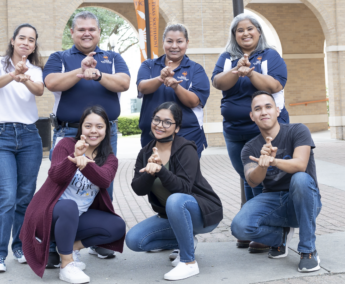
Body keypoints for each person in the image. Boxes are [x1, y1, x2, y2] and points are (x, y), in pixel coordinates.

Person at [43, 10, 130, 264]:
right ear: (72, 32)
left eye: (92, 29)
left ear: (99, 32)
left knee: (103, 185)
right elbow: (51, 82)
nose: (87, 33)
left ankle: (97, 240)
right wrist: (80, 71)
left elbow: (124, 83)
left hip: (105, 134)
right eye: (81, 29)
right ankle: (53, 244)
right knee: (60, 186)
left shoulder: (112, 57)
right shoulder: (59, 57)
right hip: (68, 131)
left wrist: (100, 75)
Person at [20, 106, 126, 283]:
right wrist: (75, 157)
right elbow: (56, 175)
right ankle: (67, 265)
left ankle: (68, 249)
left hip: (76, 220)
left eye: (99, 126)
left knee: (117, 226)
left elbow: (104, 180)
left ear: (107, 129)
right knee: (69, 206)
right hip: (47, 215)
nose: (93, 131)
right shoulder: (65, 144)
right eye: (88, 126)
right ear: (81, 128)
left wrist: (86, 163)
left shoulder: (109, 158)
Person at [211, 13, 289, 252]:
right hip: (234, 130)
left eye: (250, 29)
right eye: (239, 30)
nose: (245, 33)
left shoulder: (270, 55)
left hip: (265, 130)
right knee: (248, 176)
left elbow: (276, 85)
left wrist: (251, 72)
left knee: (265, 178)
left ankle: (264, 230)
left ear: (258, 31)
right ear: (234, 35)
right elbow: (217, 82)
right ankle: (251, 225)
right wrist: (236, 70)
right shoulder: (227, 57)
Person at [126, 102, 223, 281]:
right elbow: (138, 189)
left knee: (176, 199)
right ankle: (187, 241)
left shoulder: (186, 149)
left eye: (167, 122)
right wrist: (150, 171)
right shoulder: (145, 152)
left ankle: (188, 262)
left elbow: (183, 188)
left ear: (176, 128)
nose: (160, 125)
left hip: (202, 212)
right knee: (134, 240)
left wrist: (161, 169)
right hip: (171, 217)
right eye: (157, 120)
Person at [231, 91, 322, 273]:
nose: (263, 112)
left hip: (304, 200)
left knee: (300, 179)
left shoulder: (298, 131)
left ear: (277, 110)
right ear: (252, 116)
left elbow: (301, 165)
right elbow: (252, 180)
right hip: (274, 201)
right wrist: (262, 165)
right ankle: (279, 237)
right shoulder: (250, 147)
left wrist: (274, 161)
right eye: (258, 109)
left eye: (268, 106)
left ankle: (308, 250)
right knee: (239, 227)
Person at [0, 23, 44, 273]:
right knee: (6, 197)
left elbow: (39, 90)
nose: (26, 43)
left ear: (34, 46)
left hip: (30, 136)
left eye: (31, 40)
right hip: (0, 137)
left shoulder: (36, 68)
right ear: (12, 40)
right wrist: (13, 74)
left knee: (24, 198)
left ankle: (19, 246)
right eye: (22, 38)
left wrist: (25, 76)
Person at [137, 23, 210, 158]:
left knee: (185, 177)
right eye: (169, 41)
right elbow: (142, 87)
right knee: (153, 176)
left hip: (187, 134)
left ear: (187, 43)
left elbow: (194, 101)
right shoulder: (149, 65)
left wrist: (176, 87)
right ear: (163, 42)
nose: (174, 46)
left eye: (179, 41)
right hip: (153, 135)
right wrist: (160, 78)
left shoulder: (196, 69)